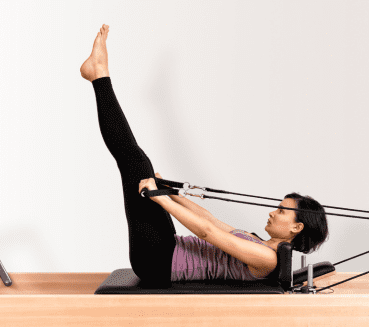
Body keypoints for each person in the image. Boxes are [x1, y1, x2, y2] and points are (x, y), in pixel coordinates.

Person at [80, 25, 328, 287]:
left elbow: (206, 232)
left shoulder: (267, 258)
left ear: (296, 228)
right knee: (140, 164)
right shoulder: (258, 243)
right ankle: (97, 74)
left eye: (281, 211)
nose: (272, 213)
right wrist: (168, 192)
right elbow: (209, 220)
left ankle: (99, 74)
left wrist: (160, 199)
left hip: (157, 261)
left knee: (135, 161)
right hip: (167, 249)